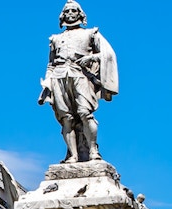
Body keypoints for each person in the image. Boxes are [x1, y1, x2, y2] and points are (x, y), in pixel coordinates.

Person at [38, 0, 118, 163]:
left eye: (73, 10)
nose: (69, 13)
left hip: (81, 75)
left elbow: (107, 54)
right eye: (66, 11)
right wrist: (47, 82)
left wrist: (90, 58)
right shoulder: (55, 38)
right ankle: (73, 155)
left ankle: (93, 151)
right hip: (59, 76)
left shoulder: (91, 33)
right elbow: (51, 63)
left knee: (84, 113)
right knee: (66, 118)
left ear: (80, 14)